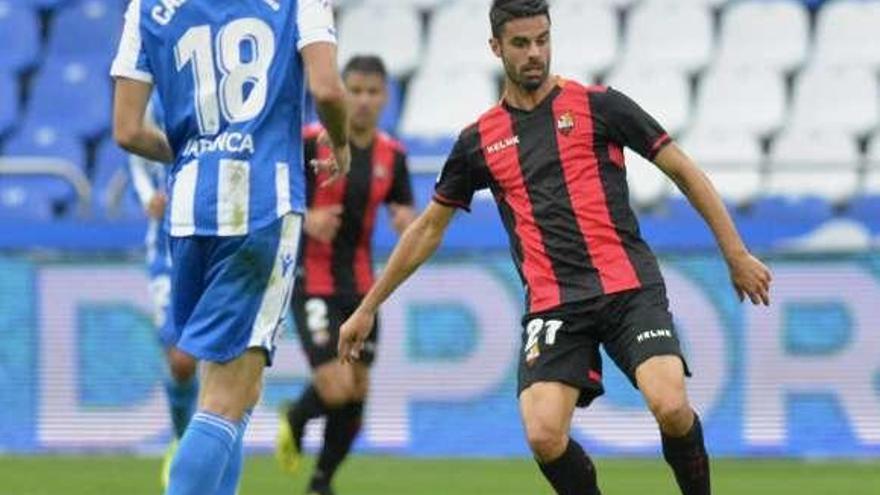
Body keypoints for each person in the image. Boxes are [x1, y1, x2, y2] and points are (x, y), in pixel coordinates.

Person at [338, 1, 772, 494]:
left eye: (542, 39)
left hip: (628, 286)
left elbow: (682, 169)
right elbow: (426, 229)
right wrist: (369, 306)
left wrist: (735, 253)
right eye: (521, 43)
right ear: (496, 48)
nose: (534, 53)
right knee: (544, 433)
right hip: (555, 303)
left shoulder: (600, 105)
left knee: (671, 405)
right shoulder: (478, 140)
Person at [110, 1, 350, 494]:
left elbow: (128, 130)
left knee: (237, 386)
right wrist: (341, 142)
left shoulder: (148, 8)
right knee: (226, 393)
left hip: (190, 208)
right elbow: (326, 88)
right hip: (260, 205)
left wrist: (198, 152)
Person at [276, 55, 417, 495]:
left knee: (357, 391)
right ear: (341, 92)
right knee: (336, 388)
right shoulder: (308, 144)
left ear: (385, 98)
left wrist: (405, 222)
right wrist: (305, 216)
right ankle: (296, 417)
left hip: (361, 288)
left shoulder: (392, 156)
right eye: (354, 90)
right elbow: (273, 198)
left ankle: (321, 483)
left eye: (372, 92)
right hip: (311, 280)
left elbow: (405, 209)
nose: (362, 101)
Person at [127, 94, 198, 488]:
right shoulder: (155, 95)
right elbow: (131, 142)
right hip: (168, 247)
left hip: (218, 231)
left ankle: (209, 453)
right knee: (182, 360)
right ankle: (184, 440)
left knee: (230, 363)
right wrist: (145, 195)